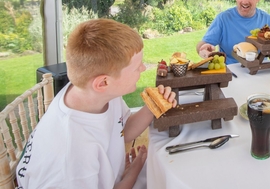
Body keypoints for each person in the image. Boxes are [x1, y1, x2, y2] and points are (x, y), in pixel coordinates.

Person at [16, 19, 177, 189]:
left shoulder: (93, 94)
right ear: (103, 83)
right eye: (137, 67)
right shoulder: (72, 156)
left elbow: (123, 130)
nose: (143, 68)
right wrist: (133, 172)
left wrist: (153, 106)